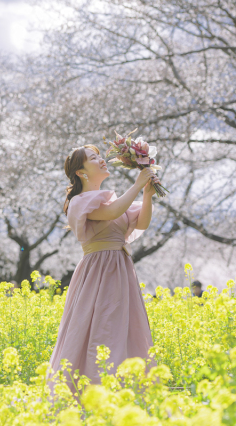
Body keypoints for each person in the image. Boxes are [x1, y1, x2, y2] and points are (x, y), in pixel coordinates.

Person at [47, 145, 159, 393]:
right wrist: (138, 184)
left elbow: (141, 221)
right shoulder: (79, 202)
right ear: (81, 172)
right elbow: (113, 212)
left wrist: (148, 194)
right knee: (100, 327)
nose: (101, 160)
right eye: (93, 158)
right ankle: (91, 391)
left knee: (126, 329)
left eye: (99, 156)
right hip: (98, 272)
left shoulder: (111, 199)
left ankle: (127, 391)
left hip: (120, 270)